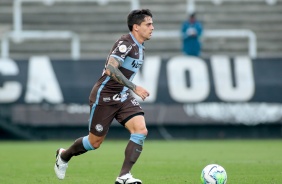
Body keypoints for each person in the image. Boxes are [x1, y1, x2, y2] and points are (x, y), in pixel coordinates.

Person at [54, 9, 154, 184]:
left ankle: (124, 176)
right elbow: (111, 69)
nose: (152, 27)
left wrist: (128, 89)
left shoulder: (140, 47)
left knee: (140, 130)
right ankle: (64, 155)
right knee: (94, 142)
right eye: (148, 24)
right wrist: (134, 87)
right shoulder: (126, 43)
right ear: (136, 27)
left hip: (122, 96)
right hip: (105, 96)